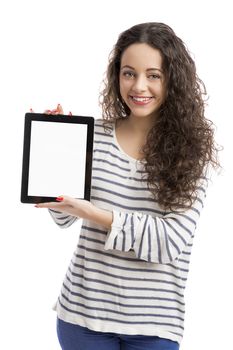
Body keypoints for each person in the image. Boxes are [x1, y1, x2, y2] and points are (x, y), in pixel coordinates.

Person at [35, 22, 219, 350]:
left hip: (154, 325)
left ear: (172, 80)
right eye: (129, 73)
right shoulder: (96, 135)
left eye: (153, 75)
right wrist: (57, 151)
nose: (139, 86)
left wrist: (99, 215)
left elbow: (169, 242)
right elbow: (64, 216)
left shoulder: (193, 152)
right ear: (116, 76)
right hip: (82, 316)